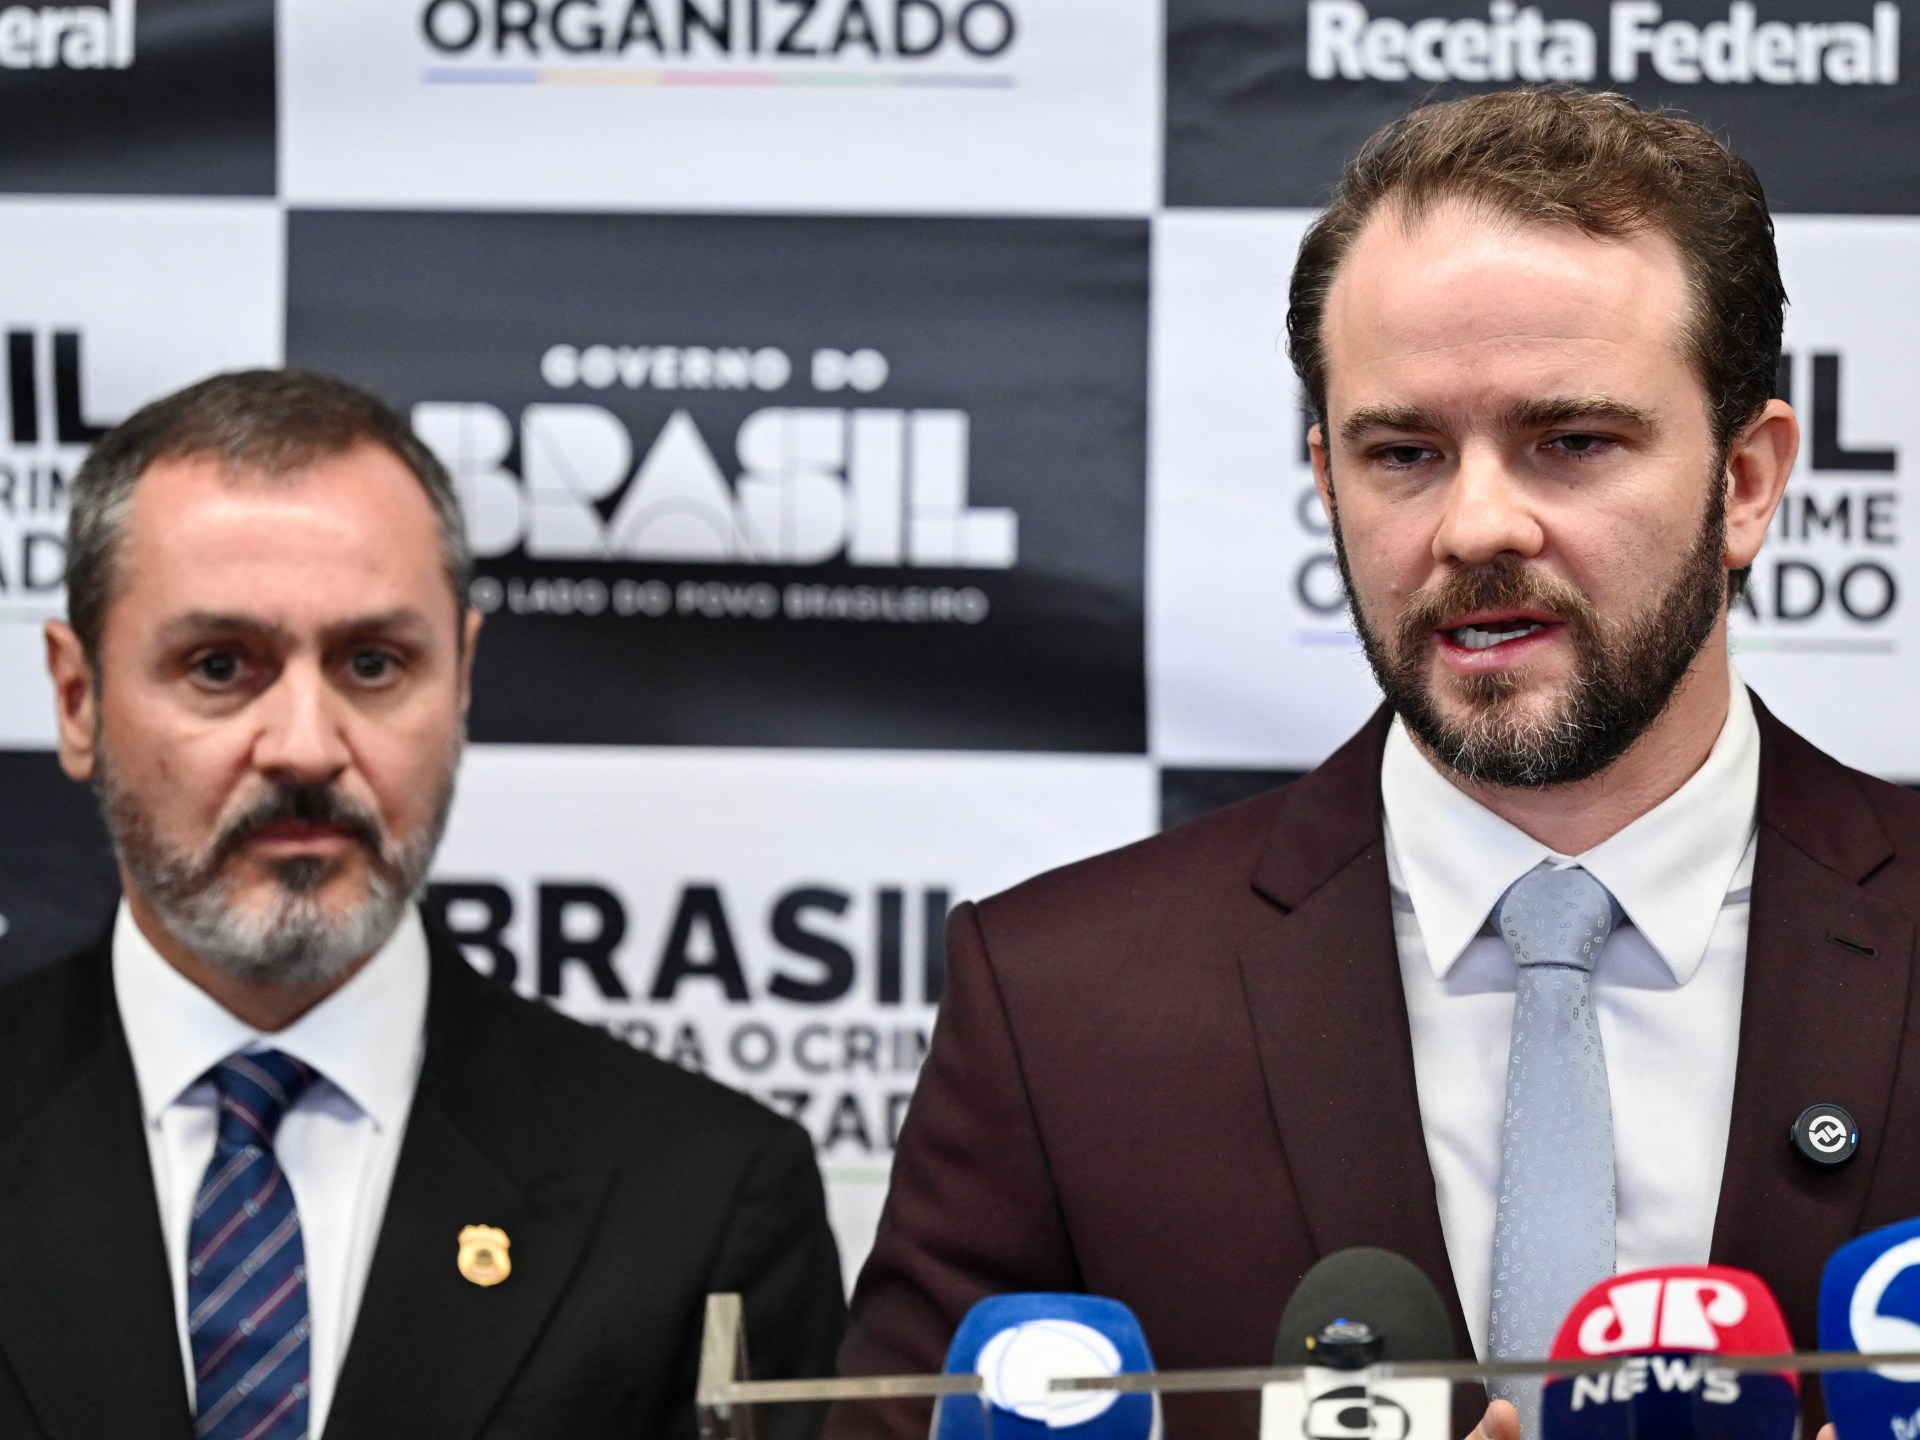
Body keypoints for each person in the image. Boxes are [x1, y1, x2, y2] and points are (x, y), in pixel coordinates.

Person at [832, 88, 1920, 1440]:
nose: (1475, 525)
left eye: (1571, 442)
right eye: (1405, 453)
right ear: (1327, 481)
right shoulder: (1060, 1009)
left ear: (1746, 480)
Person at [4, 369, 847, 1440]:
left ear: (461, 683)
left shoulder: (704, 1199)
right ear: (77, 699)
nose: (306, 746)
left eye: (372, 663)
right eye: (220, 666)